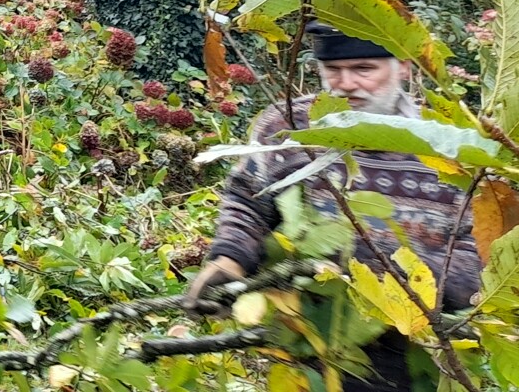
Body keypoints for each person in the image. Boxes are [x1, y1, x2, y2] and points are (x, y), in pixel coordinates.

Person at [183, 20, 481, 391]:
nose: (346, 84)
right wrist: (229, 260)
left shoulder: (452, 147)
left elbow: (478, 251)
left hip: (420, 354)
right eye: (333, 71)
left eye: (364, 69)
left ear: (403, 65)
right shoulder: (289, 124)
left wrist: (392, 279)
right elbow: (248, 201)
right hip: (310, 345)